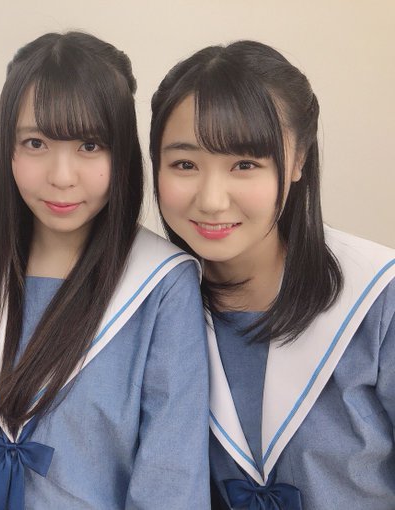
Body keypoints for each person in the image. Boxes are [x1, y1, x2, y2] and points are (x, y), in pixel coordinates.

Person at [0, 31, 210, 510]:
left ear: (121, 152)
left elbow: (171, 481)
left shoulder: (161, 286)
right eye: (35, 142)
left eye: (89, 145)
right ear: (8, 148)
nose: (61, 176)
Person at [149, 40, 395, 509]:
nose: (212, 200)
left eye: (245, 164)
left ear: (298, 160)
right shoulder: (150, 303)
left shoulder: (379, 298)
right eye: (185, 164)